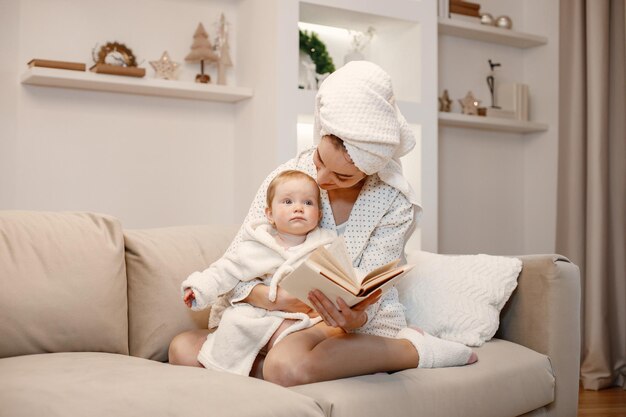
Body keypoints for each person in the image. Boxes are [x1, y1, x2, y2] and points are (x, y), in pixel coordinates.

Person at [169, 61, 477, 385]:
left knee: (285, 366)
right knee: (182, 349)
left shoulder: (394, 202)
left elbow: (370, 288)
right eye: (319, 160)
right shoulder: (285, 180)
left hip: (337, 322)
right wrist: (273, 298)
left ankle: (413, 350)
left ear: (370, 169)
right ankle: (274, 365)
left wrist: (355, 316)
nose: (321, 178)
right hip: (269, 314)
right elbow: (236, 263)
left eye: (342, 175)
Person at [179, 170, 336, 375]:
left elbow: (337, 278)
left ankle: (268, 366)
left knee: (297, 334)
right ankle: (242, 367)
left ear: (319, 214)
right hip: (258, 313)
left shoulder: (325, 247)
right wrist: (199, 288)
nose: (298, 208)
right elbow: (224, 270)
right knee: (235, 320)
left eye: (307, 203)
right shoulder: (256, 247)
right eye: (288, 202)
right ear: (270, 214)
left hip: (299, 317)